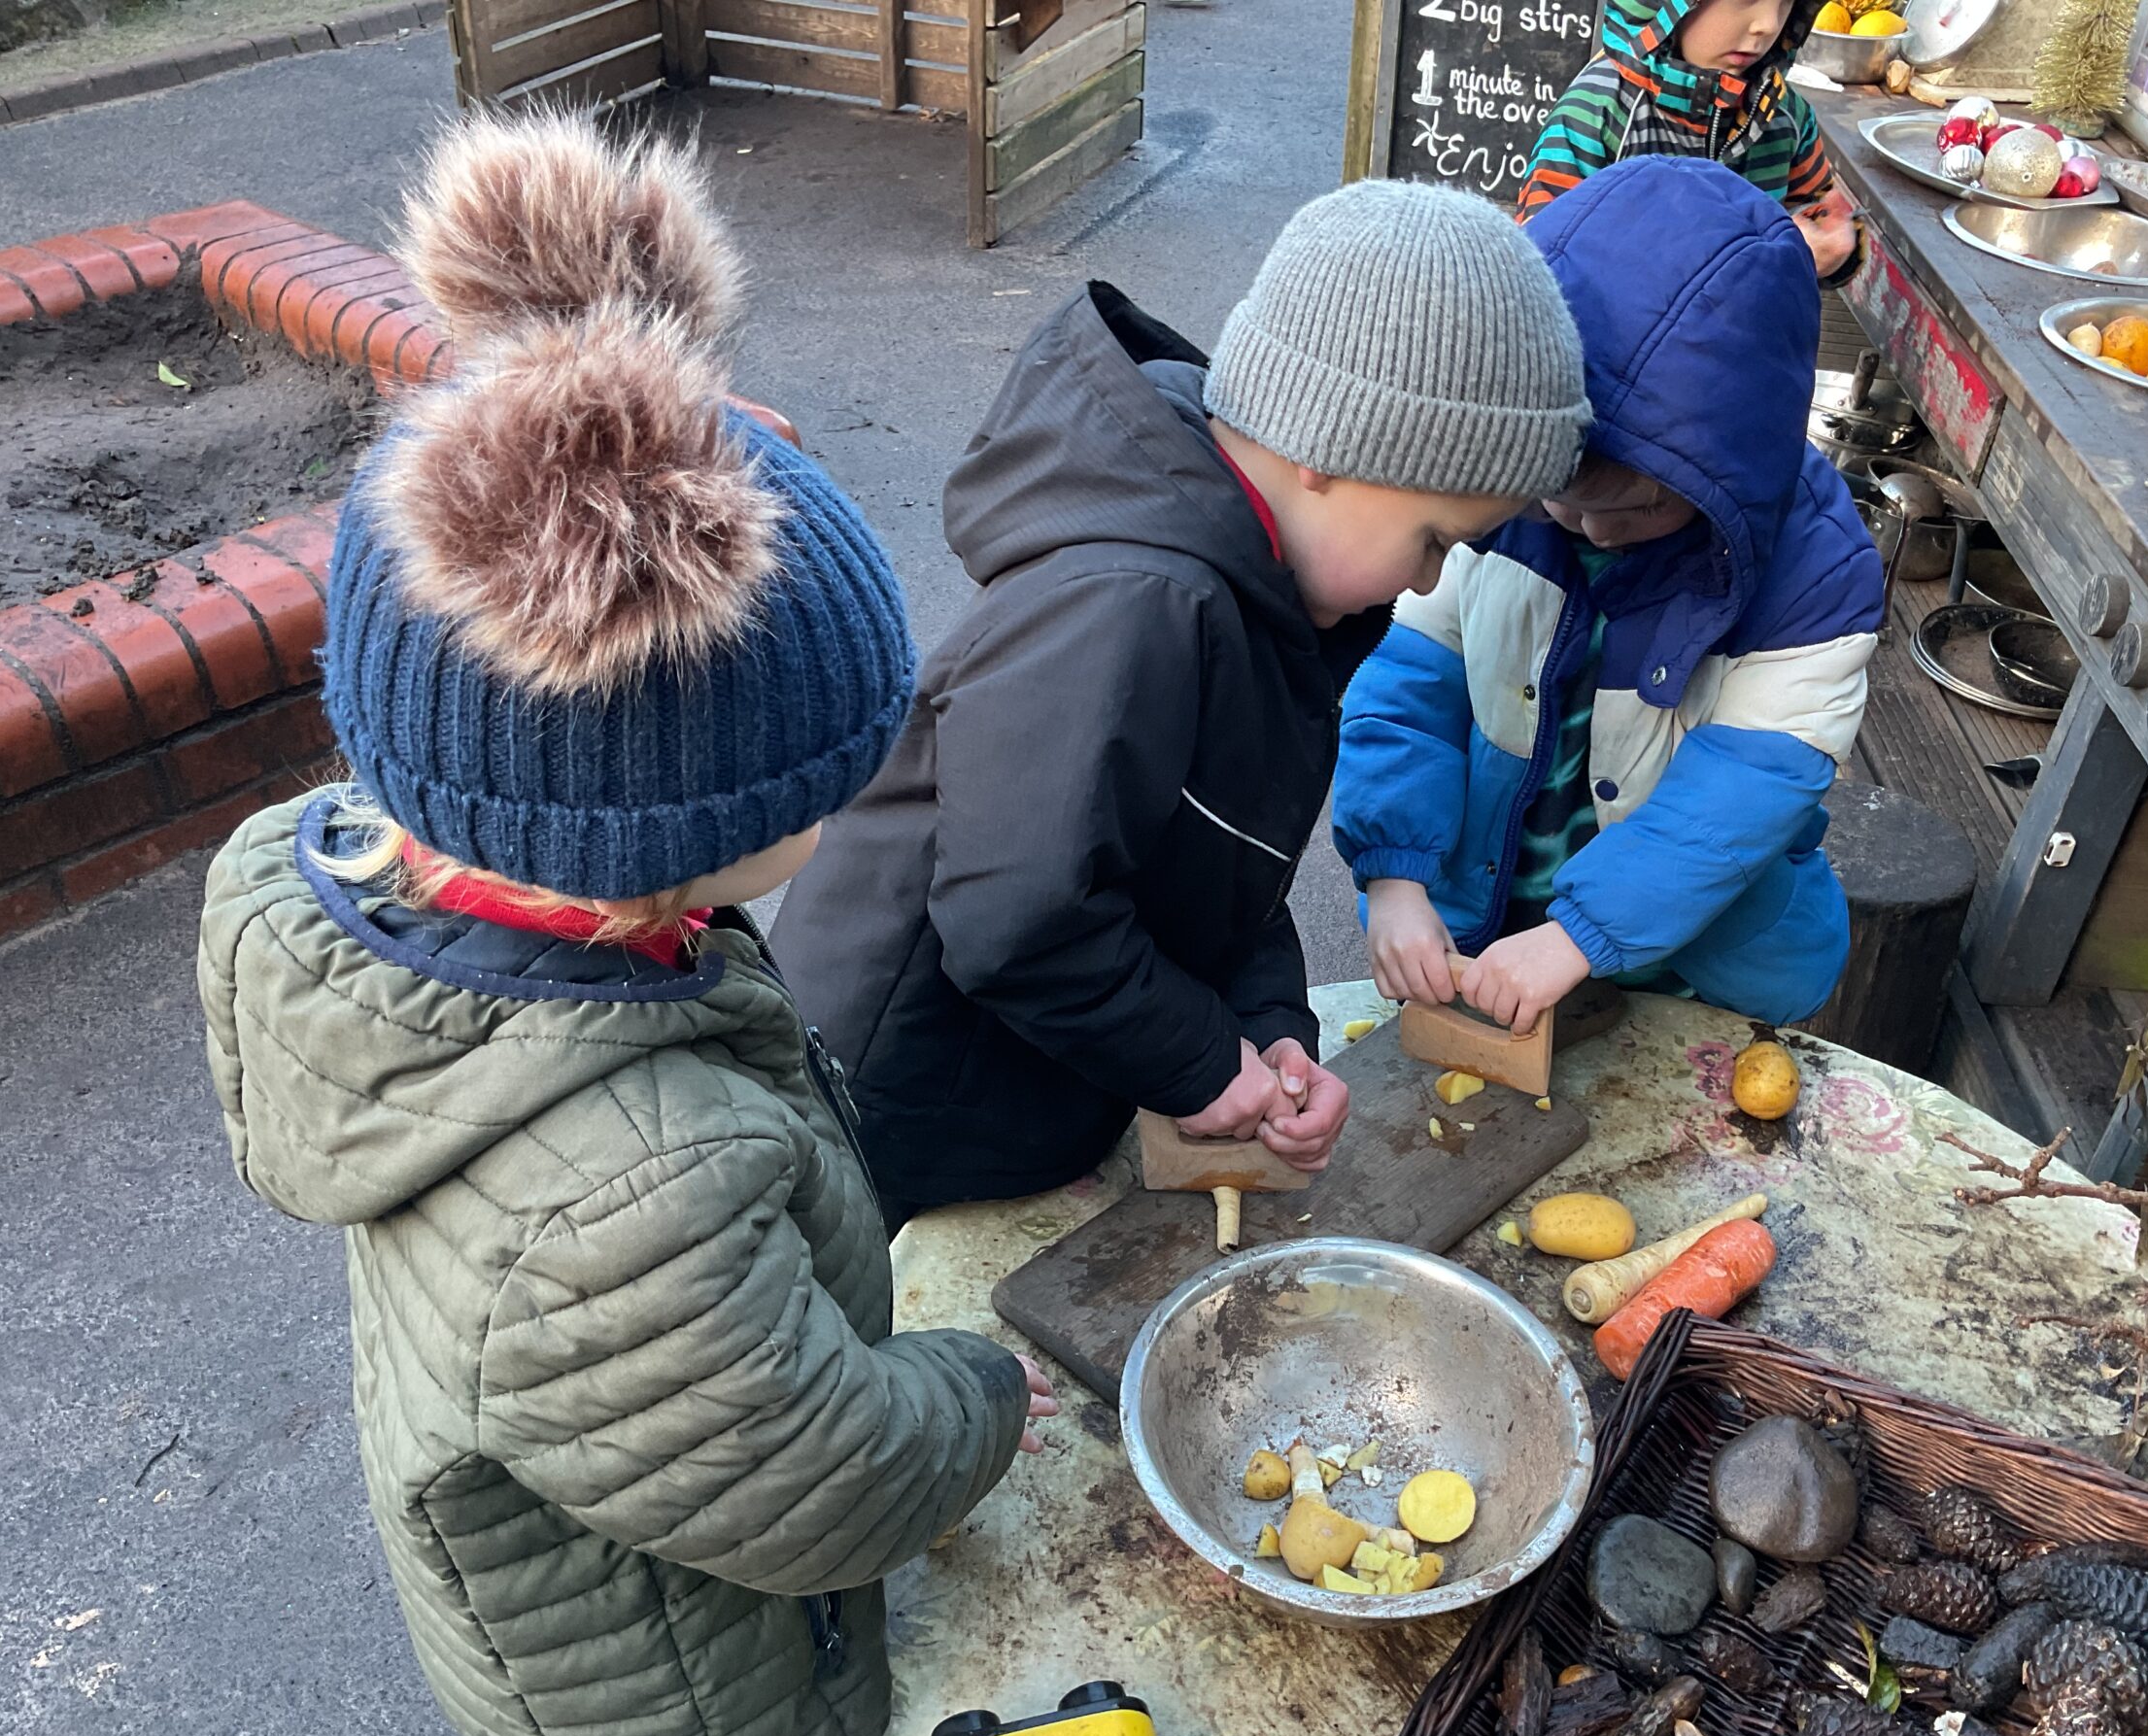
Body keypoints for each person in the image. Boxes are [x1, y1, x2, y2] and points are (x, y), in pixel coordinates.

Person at [196, 115, 1051, 1736]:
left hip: (574, 1572)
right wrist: (979, 1395)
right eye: (825, 783)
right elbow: (823, 1480)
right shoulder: (623, 1195)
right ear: (669, 835)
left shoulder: (453, 927)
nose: (852, 802)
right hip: (686, 1716)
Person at [772, 182, 1591, 1229]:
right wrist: (1202, 1062)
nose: (1428, 582)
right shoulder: (1130, 604)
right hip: (908, 1102)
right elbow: (1015, 917)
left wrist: (1263, 1024)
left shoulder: (1265, 594)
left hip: (1046, 1070)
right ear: (1328, 450)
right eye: (1433, 540)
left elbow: (1217, 861)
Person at [1334, 157, 1882, 1039]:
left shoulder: (1815, 576)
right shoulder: (1496, 503)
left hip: (1699, 957)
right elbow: (1407, 694)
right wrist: (1394, 875)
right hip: (1499, 911)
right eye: (1564, 499)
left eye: (1638, 510)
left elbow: (1742, 794)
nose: (1592, 531)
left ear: (1731, 470)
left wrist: (1581, 935)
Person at [1517, 0, 1862, 281]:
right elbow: (1542, 267)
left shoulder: (1786, 116)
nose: (1768, 24)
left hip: (1747, 342)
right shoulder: (1596, 112)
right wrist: (1755, 259)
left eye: (1786, 2)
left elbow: (1815, 213)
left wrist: (1833, 253)